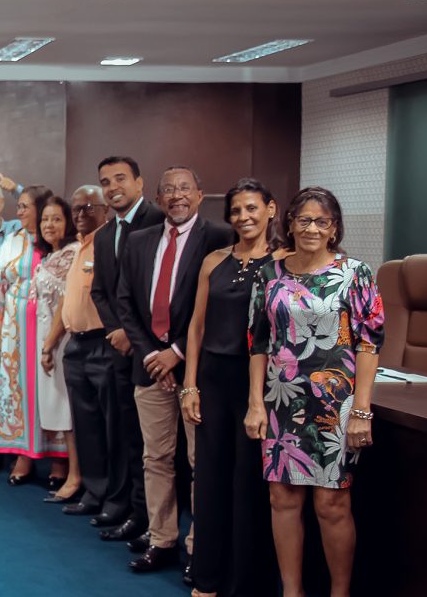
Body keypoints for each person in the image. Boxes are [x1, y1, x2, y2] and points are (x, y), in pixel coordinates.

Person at [245, 187, 384, 597]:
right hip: (281, 398)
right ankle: (293, 591)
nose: (311, 228)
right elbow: (257, 342)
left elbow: (368, 343)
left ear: (334, 228)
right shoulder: (268, 273)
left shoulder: (355, 272)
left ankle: (339, 592)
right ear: (289, 223)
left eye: (321, 221)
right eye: (303, 219)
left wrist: (361, 411)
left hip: (335, 403)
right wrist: (255, 404)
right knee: (282, 499)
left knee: (331, 504)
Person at [116, 166, 234, 575]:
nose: (177, 196)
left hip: (197, 371)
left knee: (200, 461)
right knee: (156, 458)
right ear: (159, 198)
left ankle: (199, 547)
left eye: (185, 188)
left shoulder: (219, 238)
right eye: (169, 190)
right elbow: (125, 302)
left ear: (200, 195)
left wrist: (178, 353)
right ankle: (162, 539)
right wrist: (153, 355)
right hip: (148, 368)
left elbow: (219, 306)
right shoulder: (139, 239)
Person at [181, 178, 280, 597]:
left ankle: (244, 584)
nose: (244, 217)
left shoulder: (284, 263)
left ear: (271, 210)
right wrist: (190, 385)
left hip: (259, 384)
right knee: (210, 479)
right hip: (213, 381)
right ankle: (207, 577)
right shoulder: (214, 260)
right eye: (237, 211)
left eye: (252, 208)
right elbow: (197, 326)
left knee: (248, 483)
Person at [89, 156, 163, 546]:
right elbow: (100, 291)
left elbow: (161, 294)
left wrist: (134, 337)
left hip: (155, 353)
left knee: (158, 448)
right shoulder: (104, 234)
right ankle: (136, 512)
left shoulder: (159, 222)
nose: (113, 186)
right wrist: (115, 329)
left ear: (139, 181)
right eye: (105, 181)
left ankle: (158, 522)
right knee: (128, 435)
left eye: (120, 178)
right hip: (119, 350)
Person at [57, 186, 122, 523]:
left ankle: (115, 499)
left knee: (111, 427)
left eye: (88, 208)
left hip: (103, 344)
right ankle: (94, 492)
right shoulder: (77, 247)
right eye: (76, 209)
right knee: (86, 426)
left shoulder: (110, 243)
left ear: (105, 210)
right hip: (76, 345)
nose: (81, 214)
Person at [30, 193, 82, 502]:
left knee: (70, 413)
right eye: (45, 219)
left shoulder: (73, 253)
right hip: (47, 340)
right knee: (63, 414)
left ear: (69, 223)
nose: (49, 224)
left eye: (57, 219)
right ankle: (75, 473)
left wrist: (49, 345)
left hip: (63, 342)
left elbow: (66, 303)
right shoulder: (50, 255)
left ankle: (76, 475)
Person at [0, 186, 40, 483]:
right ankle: (23, 455)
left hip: (48, 327)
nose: (18, 212)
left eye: (25, 206)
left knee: (50, 393)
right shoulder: (11, 240)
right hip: (14, 327)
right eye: (17, 206)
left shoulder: (56, 240)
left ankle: (59, 458)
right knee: (16, 388)